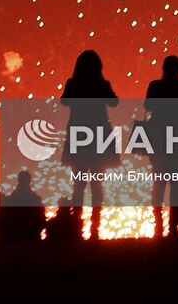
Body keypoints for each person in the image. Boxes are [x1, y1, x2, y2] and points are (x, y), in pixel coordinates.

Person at [61, 50, 119, 240]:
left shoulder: (73, 83)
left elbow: (65, 101)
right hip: (99, 137)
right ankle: (95, 228)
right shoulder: (101, 84)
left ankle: (76, 227)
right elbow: (114, 102)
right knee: (96, 185)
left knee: (78, 185)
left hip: (79, 137)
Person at [144, 55, 178, 237]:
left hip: (158, 140)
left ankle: (158, 225)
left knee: (158, 184)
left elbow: (148, 105)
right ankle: (173, 226)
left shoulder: (155, 86)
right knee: (176, 184)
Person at [0, 170, 46, 242]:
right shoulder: (35, 200)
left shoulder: (10, 200)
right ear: (29, 180)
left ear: (18, 180)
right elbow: (41, 221)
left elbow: (2, 222)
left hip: (13, 240)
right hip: (32, 239)